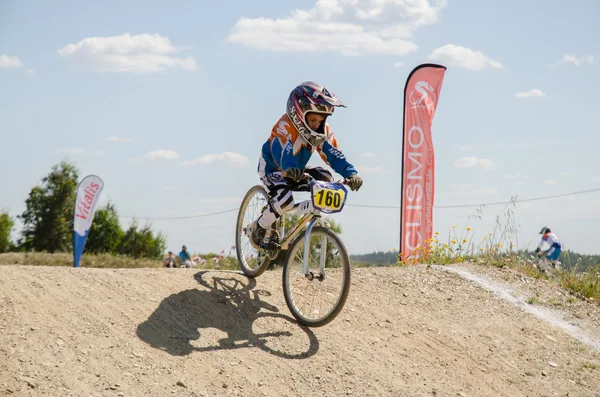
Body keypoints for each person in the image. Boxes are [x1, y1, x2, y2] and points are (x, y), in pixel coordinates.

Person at [248, 81, 363, 249]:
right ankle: (259, 227)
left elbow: (333, 154)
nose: (317, 124)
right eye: (313, 119)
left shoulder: (322, 130)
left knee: (326, 180)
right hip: (274, 169)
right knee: (285, 200)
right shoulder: (285, 125)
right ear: (299, 114)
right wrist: (287, 168)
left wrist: (350, 173)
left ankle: (305, 219)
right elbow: (282, 150)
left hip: (297, 171)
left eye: (321, 119)